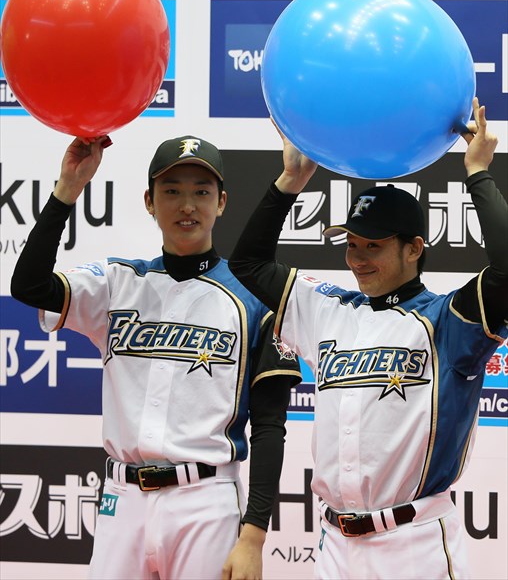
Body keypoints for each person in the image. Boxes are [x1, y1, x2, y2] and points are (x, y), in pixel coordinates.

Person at [228, 97, 508, 580]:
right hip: (335, 546)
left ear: (414, 248)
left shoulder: (449, 321)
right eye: (352, 244)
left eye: (373, 246)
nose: (356, 259)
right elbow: (247, 264)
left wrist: (478, 172)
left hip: (414, 545)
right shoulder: (327, 309)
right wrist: (289, 181)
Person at [10, 134, 302, 580]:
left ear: (222, 202)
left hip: (206, 501)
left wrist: (254, 535)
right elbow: (29, 286)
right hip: (121, 498)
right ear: (149, 201)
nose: (187, 205)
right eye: (171, 191)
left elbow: (269, 425)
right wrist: (68, 189)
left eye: (201, 192)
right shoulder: (117, 282)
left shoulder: (254, 297)